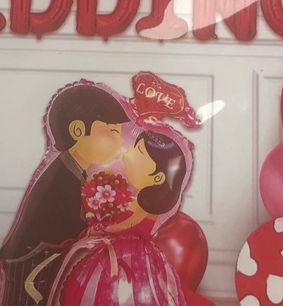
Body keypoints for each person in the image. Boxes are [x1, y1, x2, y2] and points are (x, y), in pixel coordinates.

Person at [0, 83, 130, 306]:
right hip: (32, 264)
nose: (121, 141)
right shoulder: (62, 177)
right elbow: (70, 224)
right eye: (113, 132)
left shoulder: (72, 170)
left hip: (45, 261)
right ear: (78, 131)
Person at [52, 130, 190, 306]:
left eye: (139, 151)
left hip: (129, 256)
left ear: (157, 177)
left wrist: (104, 229)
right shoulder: (131, 199)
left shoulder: (144, 207)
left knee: (119, 289)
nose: (128, 153)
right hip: (117, 251)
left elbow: (129, 224)